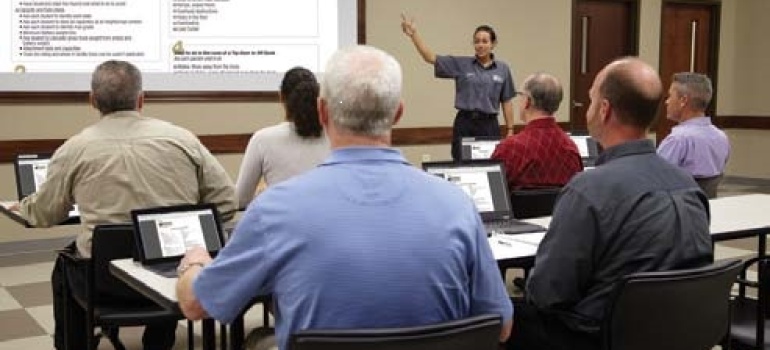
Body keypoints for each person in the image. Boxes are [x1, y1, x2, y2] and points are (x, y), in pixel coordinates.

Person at [176, 45, 513, 350]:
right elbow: (501, 326)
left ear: (323, 114)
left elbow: (194, 304)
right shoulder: (457, 206)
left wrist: (195, 262)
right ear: (398, 113)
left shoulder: (274, 210)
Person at [14, 60, 237, 350]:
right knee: (169, 252)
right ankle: (159, 341)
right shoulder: (183, 140)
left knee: (64, 267)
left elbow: (44, 214)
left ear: (92, 101)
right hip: (171, 277)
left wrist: (25, 207)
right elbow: (227, 202)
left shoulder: (74, 149)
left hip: (105, 283)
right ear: (141, 99)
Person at [506, 58, 714, 350]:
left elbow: (546, 293)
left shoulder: (588, 191)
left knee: (504, 317)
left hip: (595, 336)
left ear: (604, 110)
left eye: (591, 99)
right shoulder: (687, 185)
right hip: (672, 333)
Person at [401, 14, 515, 161]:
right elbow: (430, 57)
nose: (480, 45)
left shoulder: (503, 69)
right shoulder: (462, 64)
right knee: (461, 163)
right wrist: (414, 35)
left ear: (493, 44)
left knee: (491, 163)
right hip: (465, 122)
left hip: (489, 124)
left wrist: (510, 130)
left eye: (485, 41)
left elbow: (506, 101)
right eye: (477, 41)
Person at [235, 67, 330, 208]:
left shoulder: (262, 140)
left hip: (281, 226)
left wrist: (266, 194)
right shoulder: (335, 137)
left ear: (281, 97)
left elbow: (240, 200)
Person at [491, 73, 583, 190]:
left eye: (521, 96)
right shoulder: (571, 150)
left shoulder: (509, 149)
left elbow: (494, 193)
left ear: (527, 102)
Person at [657, 72, 729, 187]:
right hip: (708, 203)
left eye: (670, 96)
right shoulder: (721, 137)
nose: (667, 101)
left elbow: (655, 178)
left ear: (683, 100)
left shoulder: (677, 140)